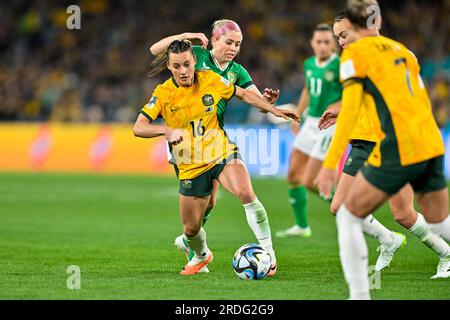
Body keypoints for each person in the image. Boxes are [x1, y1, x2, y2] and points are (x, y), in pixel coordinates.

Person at [316, 0, 450, 299]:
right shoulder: (403, 52)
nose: (341, 42)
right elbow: (404, 98)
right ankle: (444, 254)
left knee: (347, 215)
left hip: (389, 144)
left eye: (342, 34)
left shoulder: (355, 57)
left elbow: (354, 108)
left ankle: (360, 294)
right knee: (418, 216)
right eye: (337, 37)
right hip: (427, 140)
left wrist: (328, 163)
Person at [134, 39, 298, 275]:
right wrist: (166, 131)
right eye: (177, 66)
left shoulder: (210, 79)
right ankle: (201, 255)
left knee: (246, 193)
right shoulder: (163, 94)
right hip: (189, 163)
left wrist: (275, 110)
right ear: (169, 67)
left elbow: (243, 94)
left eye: (187, 64)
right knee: (191, 230)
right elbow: (138, 127)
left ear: (194, 62)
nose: (183, 71)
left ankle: (269, 254)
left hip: (220, 151)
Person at [276, 24, 342, 238]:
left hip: (329, 124)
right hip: (311, 121)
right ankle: (302, 226)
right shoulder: (309, 64)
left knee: (311, 181)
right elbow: (307, 90)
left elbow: (350, 96)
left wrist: (337, 112)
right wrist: (298, 114)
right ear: (312, 44)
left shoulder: (341, 66)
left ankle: (346, 208)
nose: (322, 46)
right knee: (294, 174)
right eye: (319, 42)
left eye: (327, 42)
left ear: (333, 44)